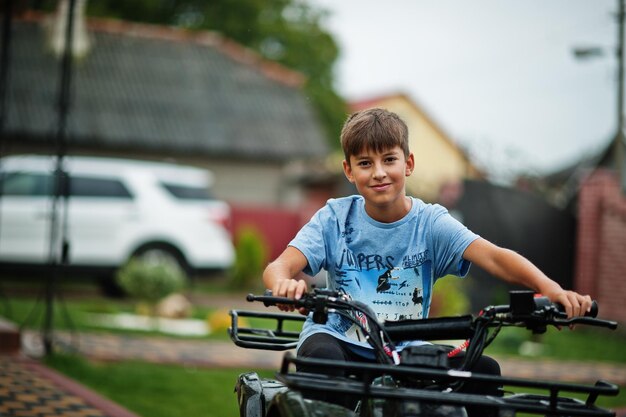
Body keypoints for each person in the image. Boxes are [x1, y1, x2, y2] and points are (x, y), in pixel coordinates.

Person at [262, 108, 592, 416]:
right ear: (349, 170)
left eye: (389, 159)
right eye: (365, 163)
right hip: (337, 339)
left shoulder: (430, 222)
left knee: (484, 372)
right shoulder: (335, 217)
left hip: (402, 348)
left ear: (408, 163)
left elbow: (494, 256)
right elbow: (278, 267)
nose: (379, 173)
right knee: (324, 362)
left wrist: (552, 289)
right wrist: (284, 283)